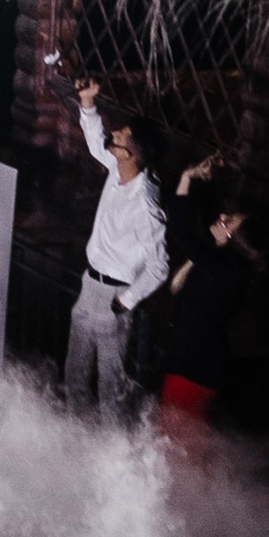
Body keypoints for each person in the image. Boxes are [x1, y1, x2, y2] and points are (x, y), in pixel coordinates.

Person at [64, 77, 167, 413]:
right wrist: (88, 103)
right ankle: (71, 437)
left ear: (136, 152)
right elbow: (96, 143)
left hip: (114, 295)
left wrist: (126, 301)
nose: (117, 134)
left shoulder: (146, 206)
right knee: (75, 374)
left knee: (110, 386)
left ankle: (112, 455)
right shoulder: (117, 169)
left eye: (124, 136)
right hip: (90, 283)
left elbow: (159, 266)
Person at [158, 155, 260, 428]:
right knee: (181, 441)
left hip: (194, 364)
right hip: (197, 361)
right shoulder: (225, 261)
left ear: (237, 240)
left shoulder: (224, 269)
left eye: (230, 222)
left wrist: (186, 178)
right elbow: (209, 212)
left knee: (177, 442)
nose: (223, 218)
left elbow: (179, 230)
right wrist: (206, 177)